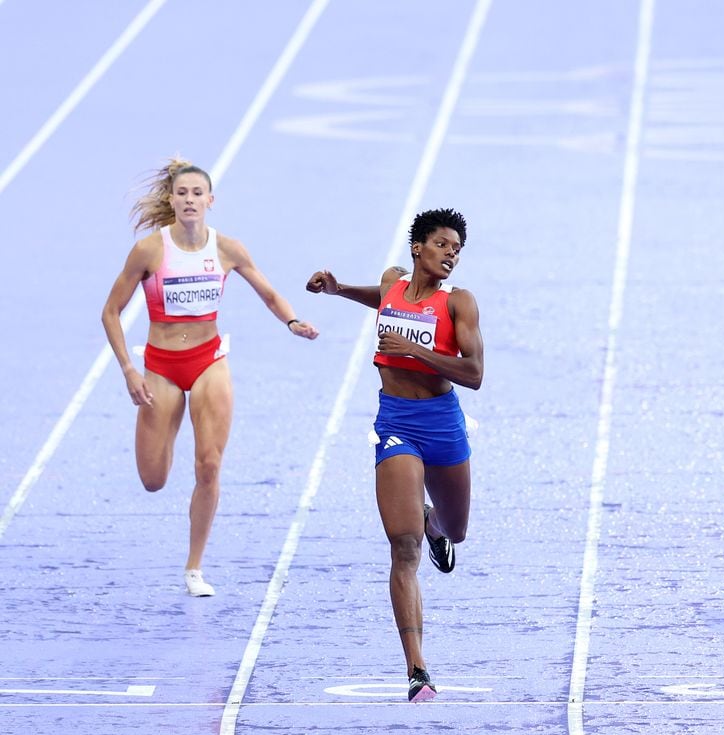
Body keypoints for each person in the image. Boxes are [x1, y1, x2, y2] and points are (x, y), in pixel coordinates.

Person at [100, 159, 319, 597]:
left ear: (210, 201)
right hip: (160, 367)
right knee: (153, 479)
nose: (189, 200)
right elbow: (110, 312)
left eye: (197, 193)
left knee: (209, 464)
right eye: (182, 193)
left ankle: (194, 567)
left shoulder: (227, 249)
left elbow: (269, 293)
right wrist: (128, 369)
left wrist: (292, 322)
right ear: (172, 200)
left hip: (208, 362)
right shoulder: (149, 251)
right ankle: (169, 422)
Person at [305, 208, 482, 703]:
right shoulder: (392, 285)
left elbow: (474, 373)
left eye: (457, 250)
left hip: (442, 423)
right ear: (418, 248)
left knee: (457, 530)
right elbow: (382, 299)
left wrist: (415, 351)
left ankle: (435, 523)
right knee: (403, 548)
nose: (451, 254)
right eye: (443, 245)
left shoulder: (460, 303)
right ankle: (417, 669)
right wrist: (339, 291)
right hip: (397, 423)